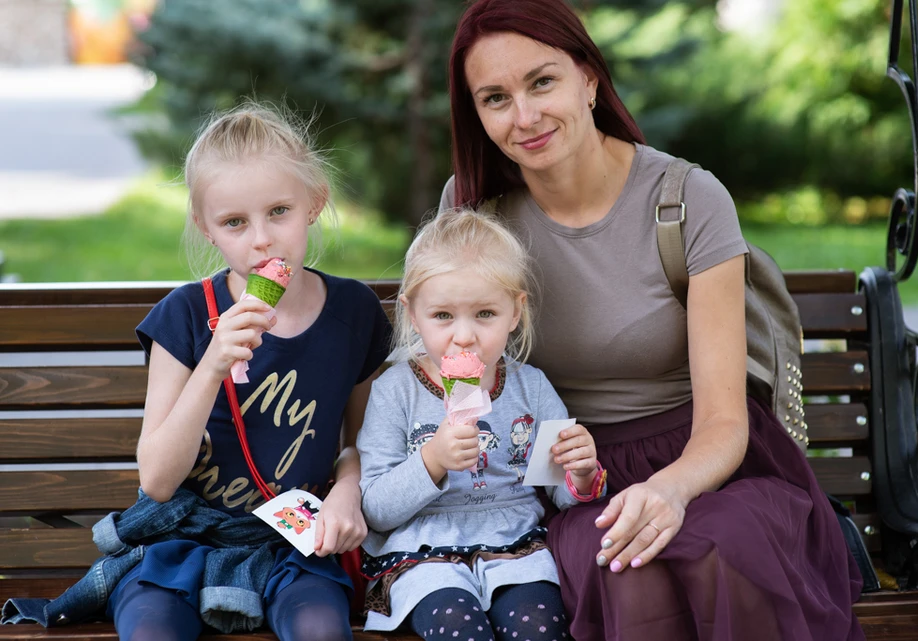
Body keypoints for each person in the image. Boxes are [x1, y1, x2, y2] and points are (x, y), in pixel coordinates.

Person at [439, 2, 865, 640]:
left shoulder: (687, 199)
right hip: (571, 478)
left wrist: (669, 491)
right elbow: (460, 379)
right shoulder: (475, 212)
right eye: (495, 98)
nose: (523, 116)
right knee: (627, 568)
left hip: (706, 463)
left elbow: (724, 421)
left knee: (722, 550)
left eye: (542, 82)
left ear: (588, 78)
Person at [1, 105, 392, 640]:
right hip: (184, 541)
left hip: (290, 543)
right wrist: (212, 364)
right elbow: (157, 481)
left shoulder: (354, 313)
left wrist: (348, 490)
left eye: (278, 211)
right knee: (152, 631)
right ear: (206, 228)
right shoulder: (185, 316)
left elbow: (363, 443)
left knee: (322, 629)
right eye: (235, 222)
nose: (262, 240)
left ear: (314, 203)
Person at [357, 208, 606, 640]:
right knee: (457, 626)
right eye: (443, 316)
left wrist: (581, 472)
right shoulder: (395, 391)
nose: (465, 336)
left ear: (515, 312)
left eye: (485, 314)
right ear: (413, 314)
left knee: (540, 628)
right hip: (424, 553)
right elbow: (376, 510)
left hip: (516, 548)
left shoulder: (531, 388)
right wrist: (432, 460)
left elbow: (562, 494)